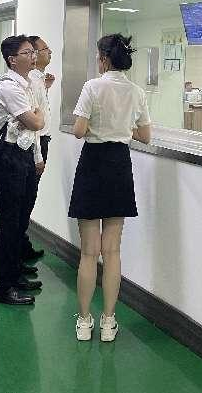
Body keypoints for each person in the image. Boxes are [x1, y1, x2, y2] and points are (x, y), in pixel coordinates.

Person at [70, 34, 151, 341]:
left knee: (89, 252)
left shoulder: (92, 86)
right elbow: (145, 135)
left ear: (104, 58)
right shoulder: (136, 91)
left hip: (92, 165)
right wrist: (122, 128)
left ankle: (84, 321)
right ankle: (108, 322)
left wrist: (97, 126)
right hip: (119, 165)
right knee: (112, 250)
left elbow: (78, 130)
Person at [0, 35, 45, 305]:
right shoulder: (9, 88)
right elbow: (36, 123)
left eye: (33, 52)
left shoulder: (27, 85)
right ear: (12, 60)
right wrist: (37, 115)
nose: (33, 56)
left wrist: (37, 157)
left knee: (20, 221)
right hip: (8, 159)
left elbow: (32, 129)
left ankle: (16, 275)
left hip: (23, 156)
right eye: (27, 53)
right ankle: (4, 287)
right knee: (9, 224)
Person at [23, 35, 56, 265]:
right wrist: (38, 156)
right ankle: (19, 250)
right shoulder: (33, 82)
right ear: (34, 54)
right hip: (36, 143)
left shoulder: (38, 80)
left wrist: (47, 88)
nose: (49, 52)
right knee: (26, 198)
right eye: (45, 49)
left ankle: (22, 246)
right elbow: (33, 123)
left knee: (28, 198)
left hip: (40, 142)